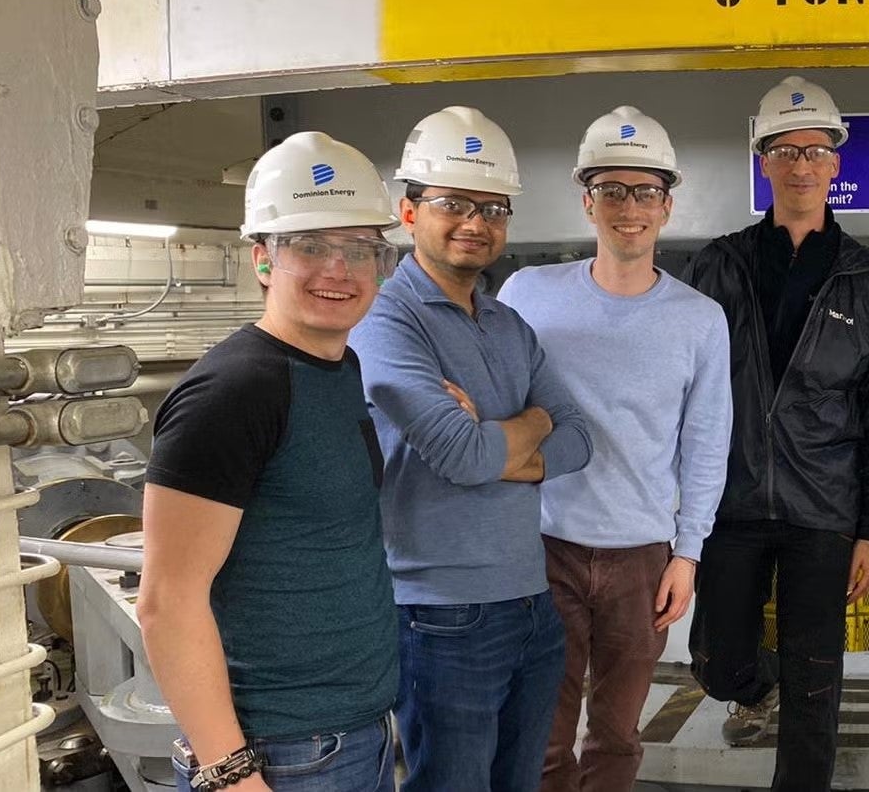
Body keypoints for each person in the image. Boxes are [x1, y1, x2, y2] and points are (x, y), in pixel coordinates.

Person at [139, 131, 403, 792]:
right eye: (309, 246)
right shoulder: (234, 391)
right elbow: (168, 603)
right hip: (281, 753)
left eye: (359, 250)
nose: (337, 271)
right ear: (262, 259)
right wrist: (229, 773)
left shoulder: (338, 367)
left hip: (350, 734)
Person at [351, 105, 592, 792]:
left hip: (531, 602)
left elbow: (579, 438)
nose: (475, 223)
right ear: (408, 210)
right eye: (453, 202)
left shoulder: (508, 323)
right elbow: (464, 458)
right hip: (439, 616)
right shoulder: (384, 318)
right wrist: (523, 427)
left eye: (492, 207)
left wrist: (510, 432)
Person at [497, 105, 732, 792]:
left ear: (667, 205)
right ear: (586, 200)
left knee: (618, 736)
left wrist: (687, 554)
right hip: (544, 546)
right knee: (541, 733)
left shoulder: (699, 319)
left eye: (645, 192)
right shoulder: (527, 295)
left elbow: (707, 444)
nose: (629, 208)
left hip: (642, 557)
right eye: (612, 191)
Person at [685, 75, 869, 791]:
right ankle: (756, 683)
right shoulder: (718, 265)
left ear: (836, 164)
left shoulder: (865, 277)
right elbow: (685, 388)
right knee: (718, 666)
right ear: (763, 163)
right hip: (732, 503)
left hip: (824, 510)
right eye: (785, 150)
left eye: (815, 150)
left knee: (818, 688)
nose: (802, 165)